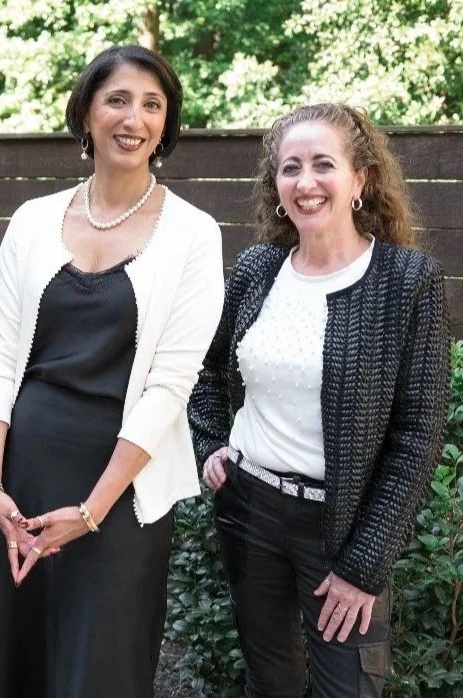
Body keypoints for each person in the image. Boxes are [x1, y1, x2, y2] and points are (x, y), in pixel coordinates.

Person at [0, 44, 225, 697]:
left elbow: (170, 387)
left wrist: (91, 511)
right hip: (20, 479)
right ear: (86, 113)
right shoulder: (32, 220)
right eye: (118, 100)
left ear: (166, 125)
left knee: (101, 668)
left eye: (152, 105)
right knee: (10, 663)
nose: (134, 118)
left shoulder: (193, 234)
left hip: (123, 493)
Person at [187, 103, 449, 697]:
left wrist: (364, 565)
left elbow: (419, 433)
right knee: (270, 682)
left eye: (323, 165)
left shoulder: (407, 281)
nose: (306, 182)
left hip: (342, 528)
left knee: (348, 689)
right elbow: (204, 366)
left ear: (361, 179)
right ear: (276, 187)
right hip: (249, 510)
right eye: (291, 168)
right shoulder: (258, 269)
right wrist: (210, 442)